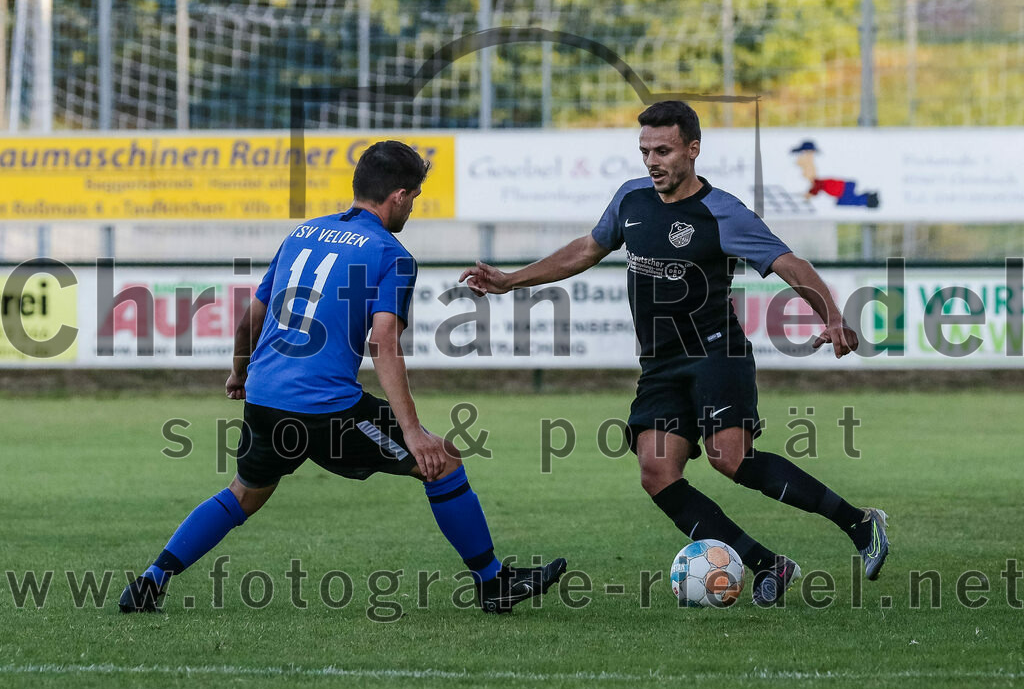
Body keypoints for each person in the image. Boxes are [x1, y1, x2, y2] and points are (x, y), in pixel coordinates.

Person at [460, 102, 888, 607]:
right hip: (660, 362)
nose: (652, 161)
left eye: (662, 150)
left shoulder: (722, 212)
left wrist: (832, 316)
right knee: (657, 472)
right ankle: (769, 564)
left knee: (731, 459)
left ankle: (860, 523)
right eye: (645, 150)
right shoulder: (632, 199)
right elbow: (586, 249)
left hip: (715, 351)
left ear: (692, 149)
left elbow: (790, 263)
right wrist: (511, 280)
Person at [121, 140, 565, 615]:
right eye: (413, 197)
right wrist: (413, 432)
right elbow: (383, 342)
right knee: (442, 461)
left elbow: (252, 316)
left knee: (243, 494)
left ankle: (151, 581)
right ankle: (493, 582)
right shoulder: (392, 255)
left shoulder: (301, 235)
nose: (412, 208)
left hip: (265, 397)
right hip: (325, 408)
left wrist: (239, 372)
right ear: (398, 196)